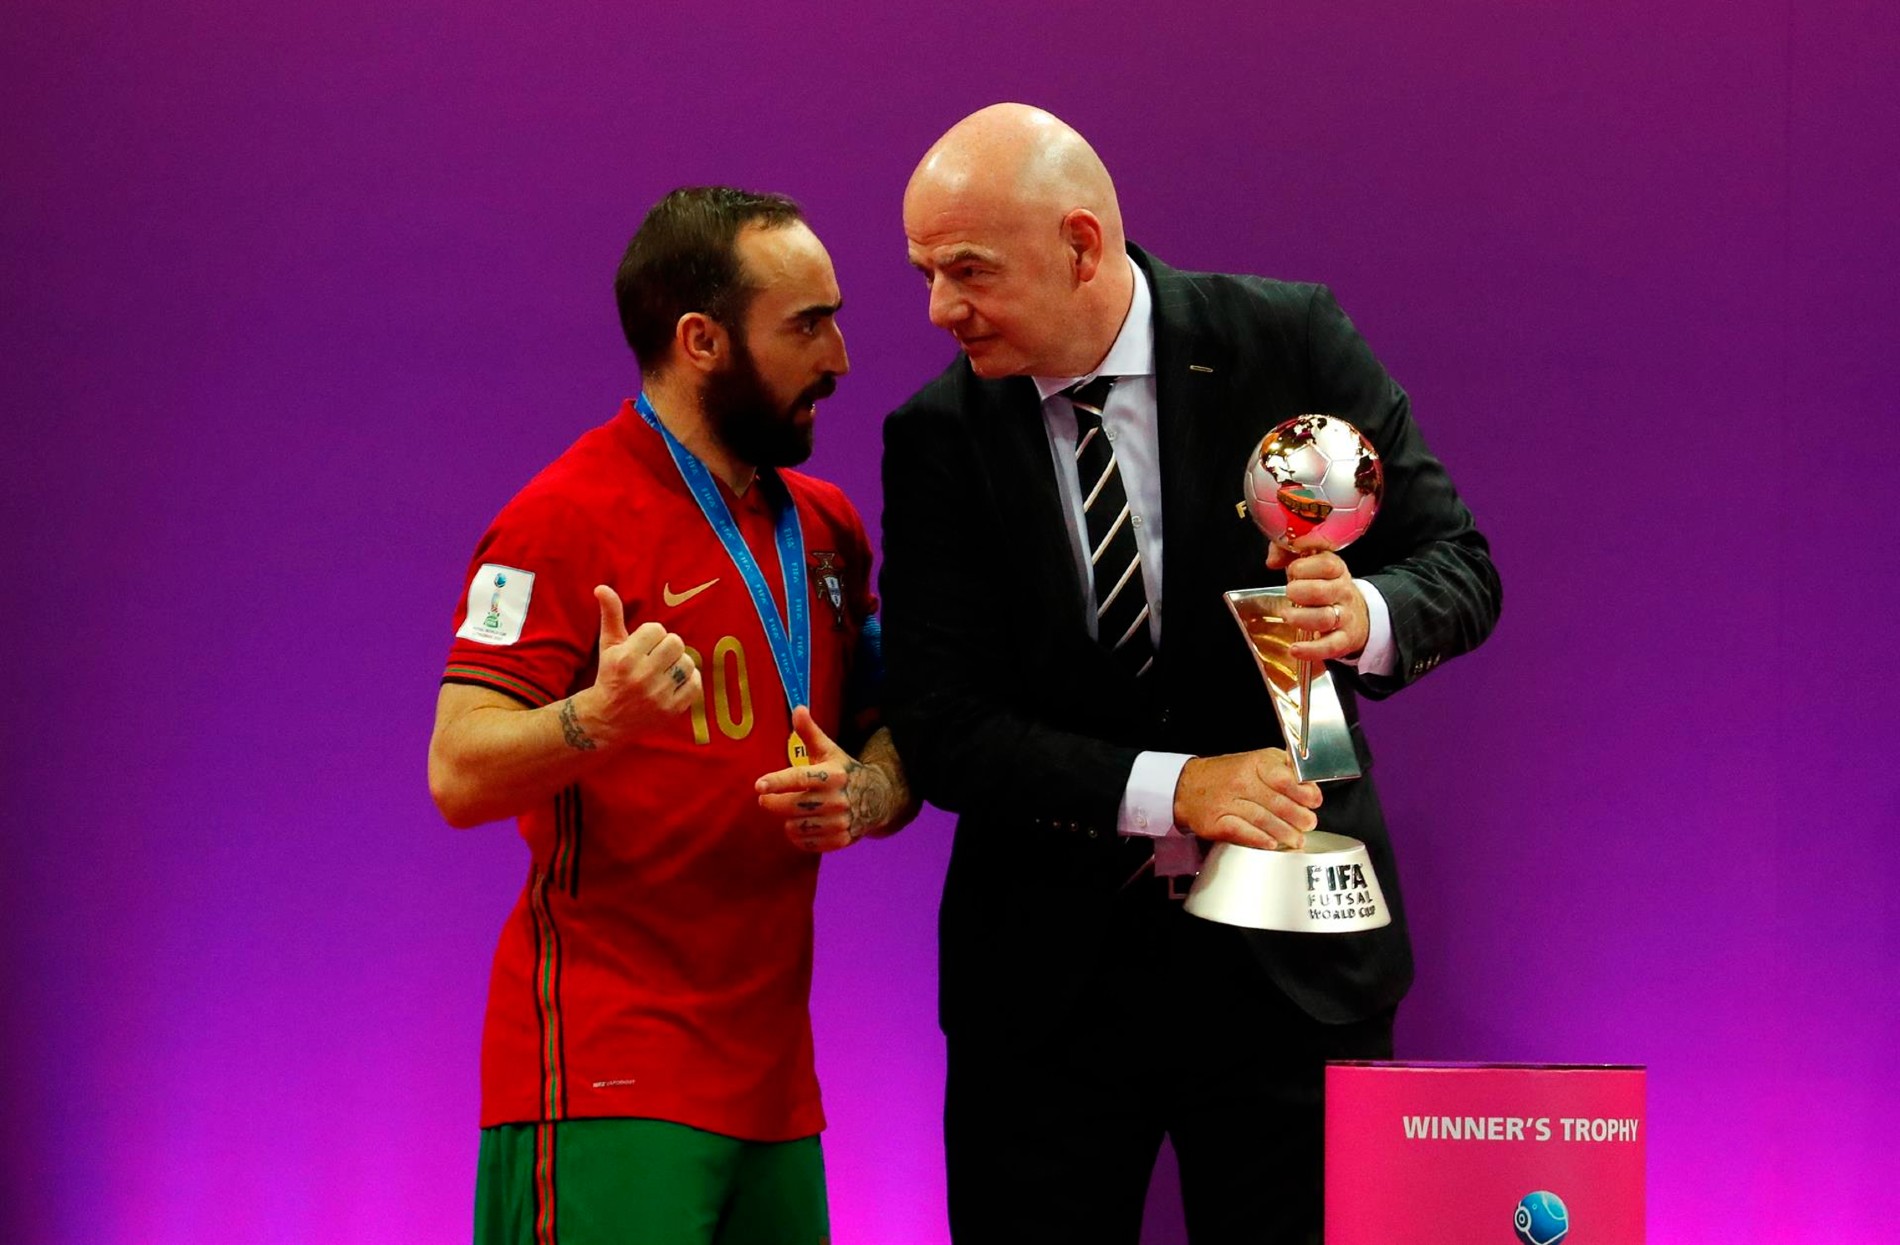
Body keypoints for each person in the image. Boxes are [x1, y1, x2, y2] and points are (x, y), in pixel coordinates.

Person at [880, 104, 1502, 1244]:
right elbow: (944, 724)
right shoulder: (937, 435)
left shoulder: (1286, 340)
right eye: (923, 271)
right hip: (1047, 992)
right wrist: (1177, 787)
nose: (937, 309)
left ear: (1080, 245)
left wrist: (1355, 612)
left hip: (1295, 970)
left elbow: (1456, 566)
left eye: (967, 270)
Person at [428, 186, 916, 1245]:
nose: (838, 355)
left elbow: (904, 732)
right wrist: (594, 721)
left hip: (778, 1083)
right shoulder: (559, 519)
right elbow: (457, 773)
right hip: (607, 1068)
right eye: (804, 325)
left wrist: (868, 793)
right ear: (701, 340)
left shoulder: (826, 527)